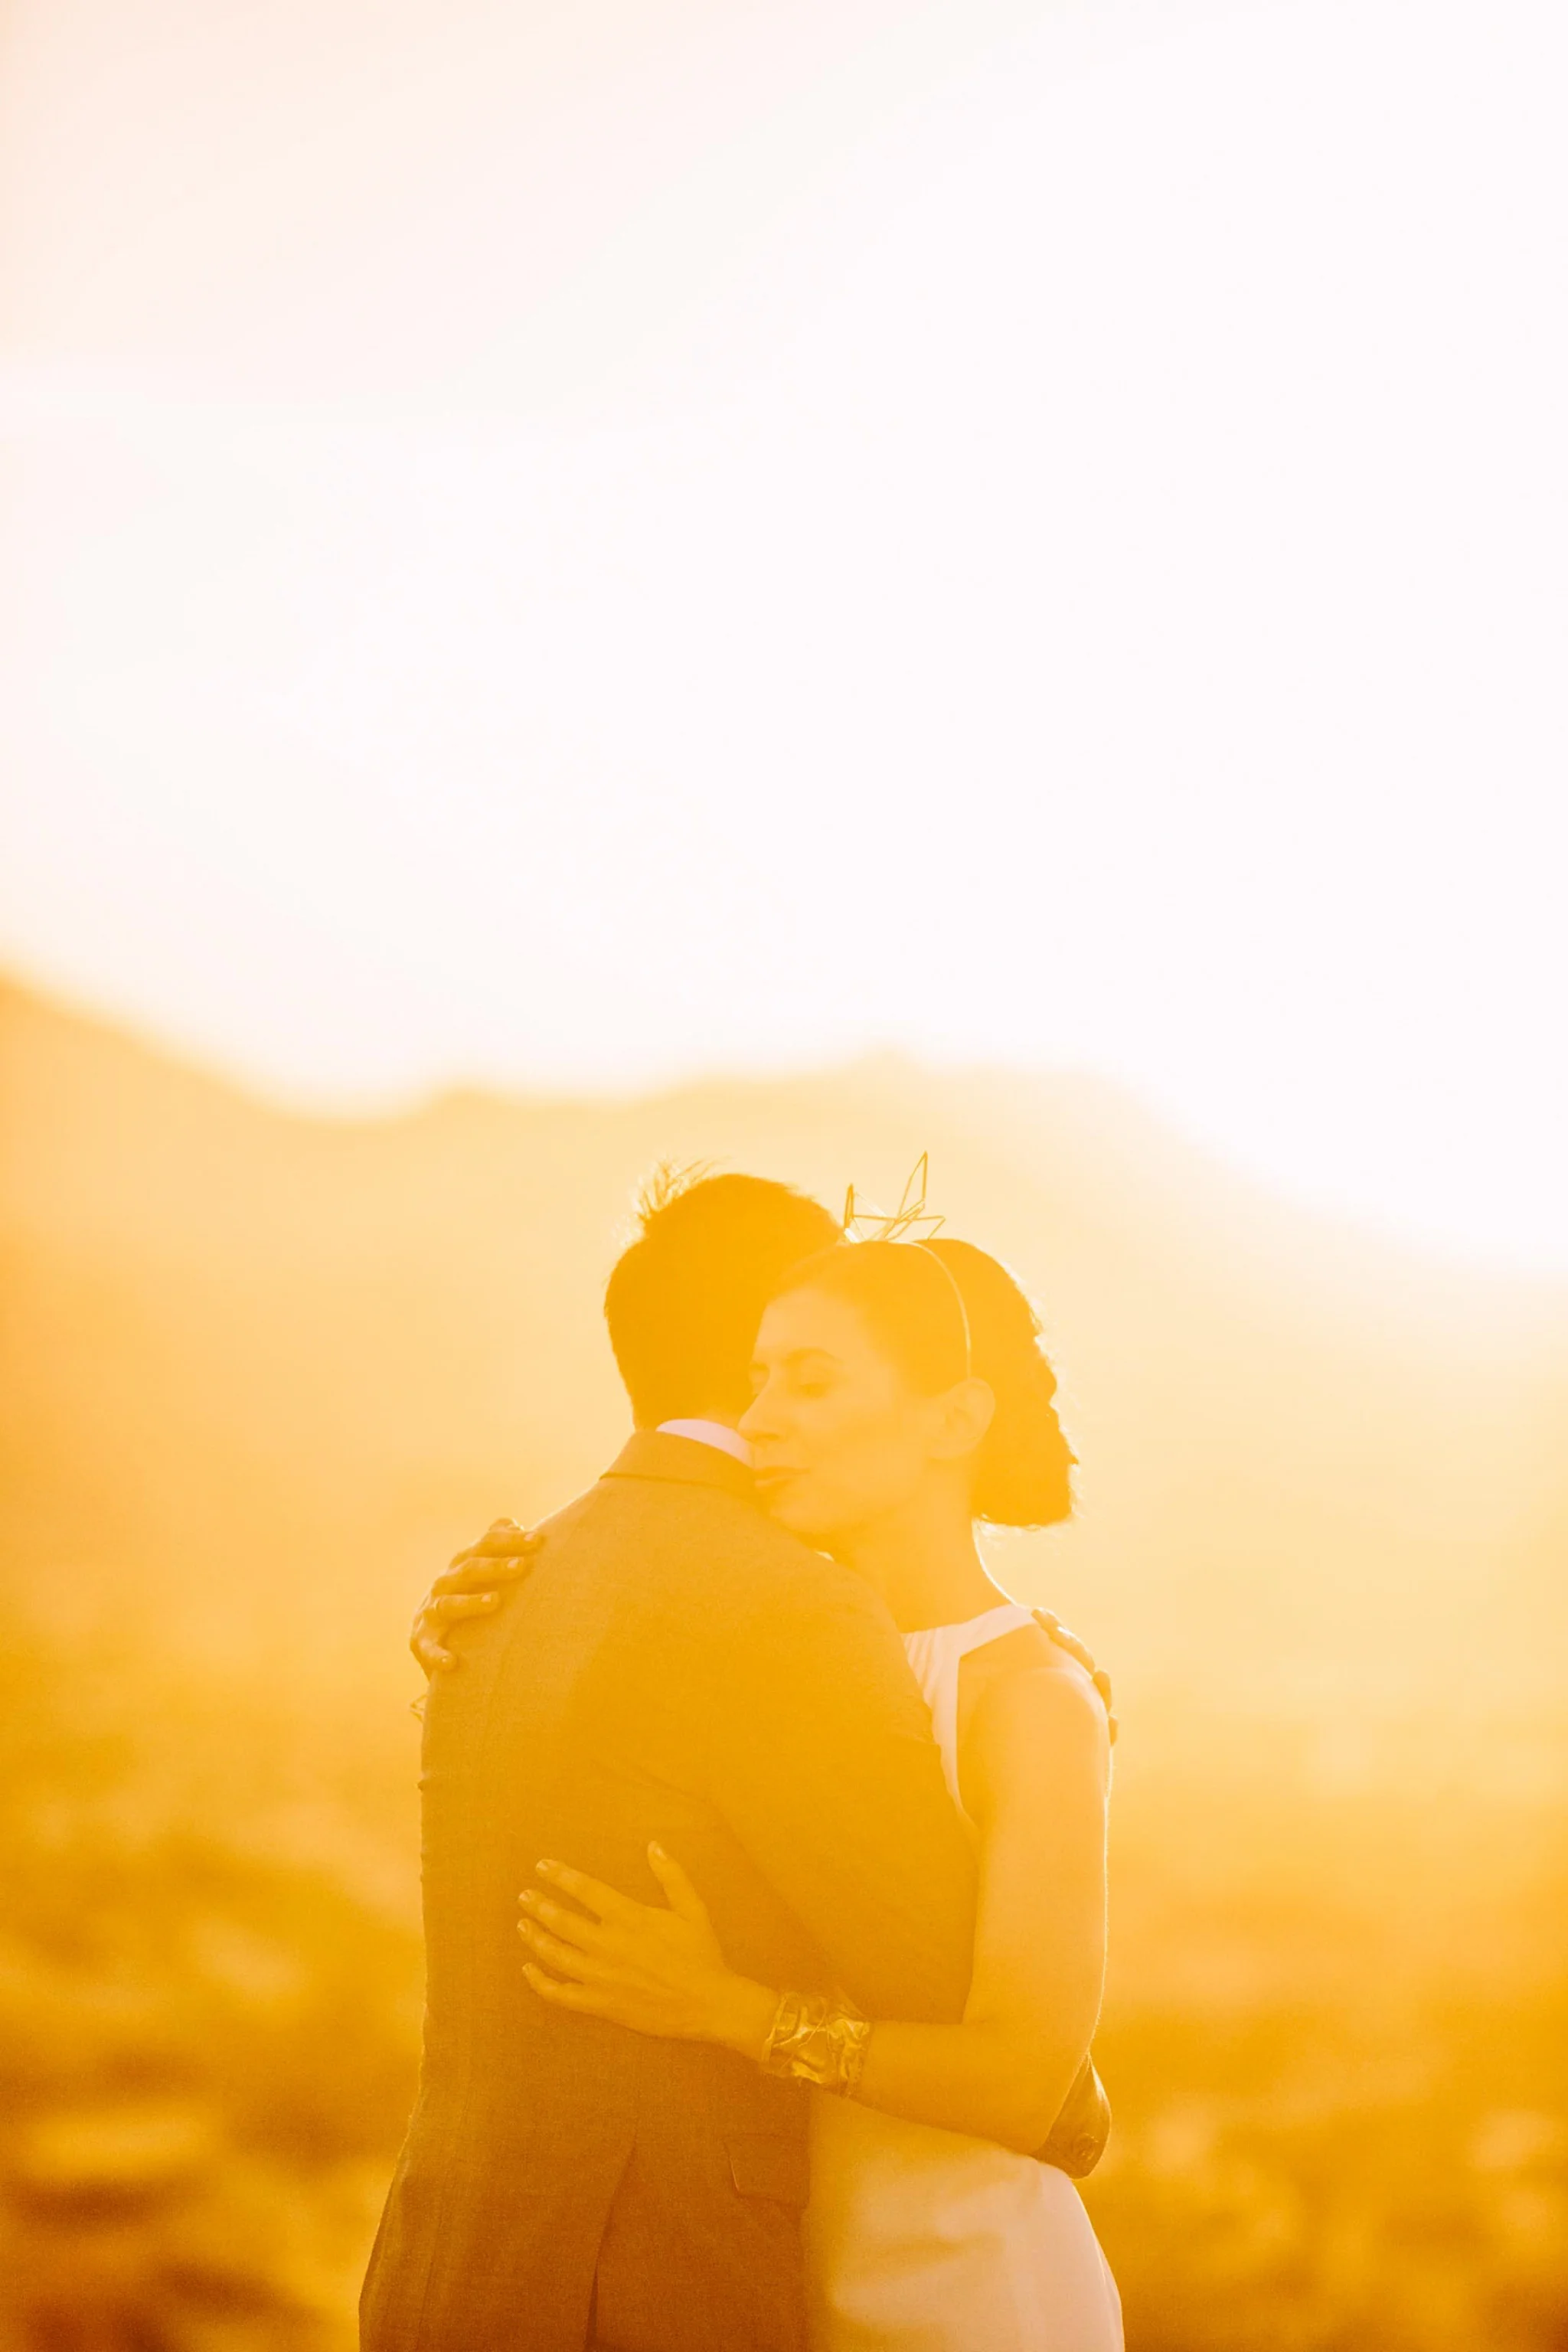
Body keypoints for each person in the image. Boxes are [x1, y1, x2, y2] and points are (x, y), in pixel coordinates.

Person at [420, 1217, 1123, 2350]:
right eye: (756, 1379)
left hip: (962, 2287)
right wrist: (478, 1621)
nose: (758, 1420)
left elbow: (1024, 2082)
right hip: (776, 2282)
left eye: (811, 1381)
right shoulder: (770, 1652)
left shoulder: (1035, 1699)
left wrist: (730, 2012)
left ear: (954, 1419)